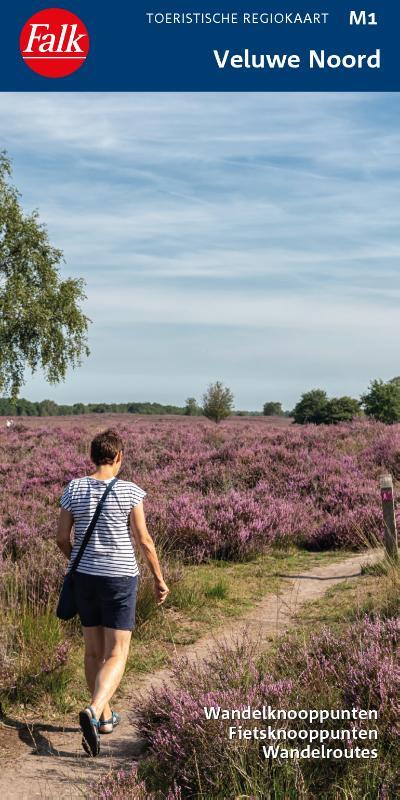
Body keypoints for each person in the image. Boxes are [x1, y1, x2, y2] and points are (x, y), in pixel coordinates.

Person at [56, 428, 169, 756]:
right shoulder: (130, 491)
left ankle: (105, 718)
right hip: (119, 577)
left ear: (92, 457)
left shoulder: (74, 487)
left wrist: (77, 559)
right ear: (118, 457)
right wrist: (159, 580)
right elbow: (144, 540)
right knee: (117, 652)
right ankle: (93, 711)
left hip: (85, 577)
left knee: (93, 651)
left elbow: (62, 536)